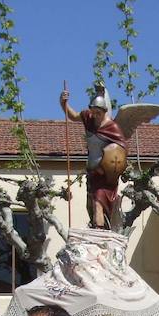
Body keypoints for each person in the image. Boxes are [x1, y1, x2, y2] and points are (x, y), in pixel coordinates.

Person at [60, 85, 127, 228]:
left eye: (98, 112)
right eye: (93, 111)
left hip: (106, 175)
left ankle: (99, 235)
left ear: (104, 112)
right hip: (92, 173)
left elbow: (121, 151)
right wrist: (64, 103)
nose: (95, 115)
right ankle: (98, 228)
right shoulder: (87, 118)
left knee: (98, 202)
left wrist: (108, 169)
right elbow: (73, 116)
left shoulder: (112, 127)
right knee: (91, 205)